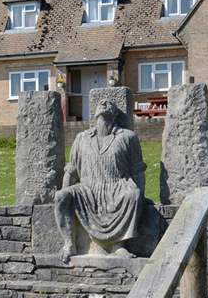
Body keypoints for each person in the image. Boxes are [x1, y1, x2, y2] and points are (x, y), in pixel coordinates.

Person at [54, 98, 146, 260]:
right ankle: (69, 243)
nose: (104, 103)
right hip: (87, 189)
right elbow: (71, 171)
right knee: (61, 197)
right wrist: (64, 190)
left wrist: (141, 195)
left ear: (115, 113)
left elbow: (137, 170)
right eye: (100, 103)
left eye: (109, 103)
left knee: (133, 194)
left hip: (117, 186)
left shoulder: (128, 137)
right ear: (94, 114)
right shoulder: (81, 138)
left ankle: (119, 246)